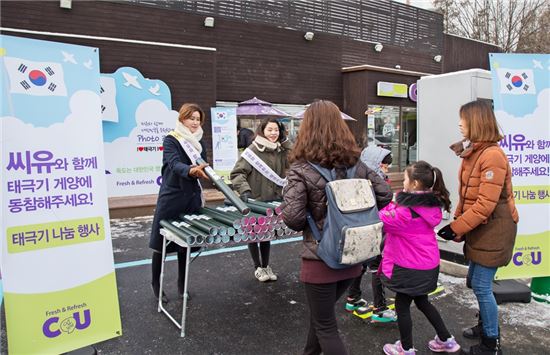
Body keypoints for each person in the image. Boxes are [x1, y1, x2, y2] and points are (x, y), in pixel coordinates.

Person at [282, 100, 393, 355]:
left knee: (325, 325)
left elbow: (293, 218)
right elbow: (385, 194)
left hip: (321, 256)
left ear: (307, 129)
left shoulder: (300, 169)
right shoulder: (357, 164)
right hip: (354, 253)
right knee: (320, 319)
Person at [438, 100, 518, 355]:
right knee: (474, 281)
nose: (460, 124)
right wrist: (457, 223)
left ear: (477, 122)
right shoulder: (474, 152)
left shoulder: (492, 155)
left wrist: (457, 227)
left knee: (482, 285)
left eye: (464, 119)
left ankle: (491, 342)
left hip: (495, 229)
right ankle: (486, 324)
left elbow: (485, 204)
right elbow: (467, 196)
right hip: (480, 228)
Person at [380, 160, 461, 355]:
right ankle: (446, 340)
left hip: (409, 266)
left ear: (414, 184)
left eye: (406, 178)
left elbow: (382, 217)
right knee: (422, 301)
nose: (404, 182)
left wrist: (390, 204)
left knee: (402, 304)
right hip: (428, 264)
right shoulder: (431, 206)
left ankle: (405, 348)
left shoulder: (406, 212)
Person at [149, 103, 209, 303]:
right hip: (171, 197)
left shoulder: (200, 142)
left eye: (198, 119)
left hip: (191, 198)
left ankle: (182, 284)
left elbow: (204, 165)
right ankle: (156, 285)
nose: (194, 122)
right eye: (191, 118)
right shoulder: (171, 139)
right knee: (161, 244)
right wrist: (191, 170)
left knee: (186, 243)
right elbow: (174, 164)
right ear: (182, 119)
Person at [230, 118, 291, 282]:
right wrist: (244, 191)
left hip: (272, 201)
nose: (273, 133)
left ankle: (266, 266)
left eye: (276, 130)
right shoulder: (253, 150)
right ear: (262, 131)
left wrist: (285, 141)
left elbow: (294, 159)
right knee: (253, 234)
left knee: (266, 234)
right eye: (270, 130)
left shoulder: (280, 150)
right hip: (255, 200)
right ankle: (257, 267)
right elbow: (237, 173)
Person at [345, 145, 395, 322]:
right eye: (383, 165)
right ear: (374, 163)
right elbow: (383, 202)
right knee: (377, 267)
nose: (386, 169)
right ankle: (380, 308)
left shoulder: (356, 178)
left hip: (359, 228)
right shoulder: (373, 182)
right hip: (373, 229)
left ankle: (353, 297)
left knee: (360, 264)